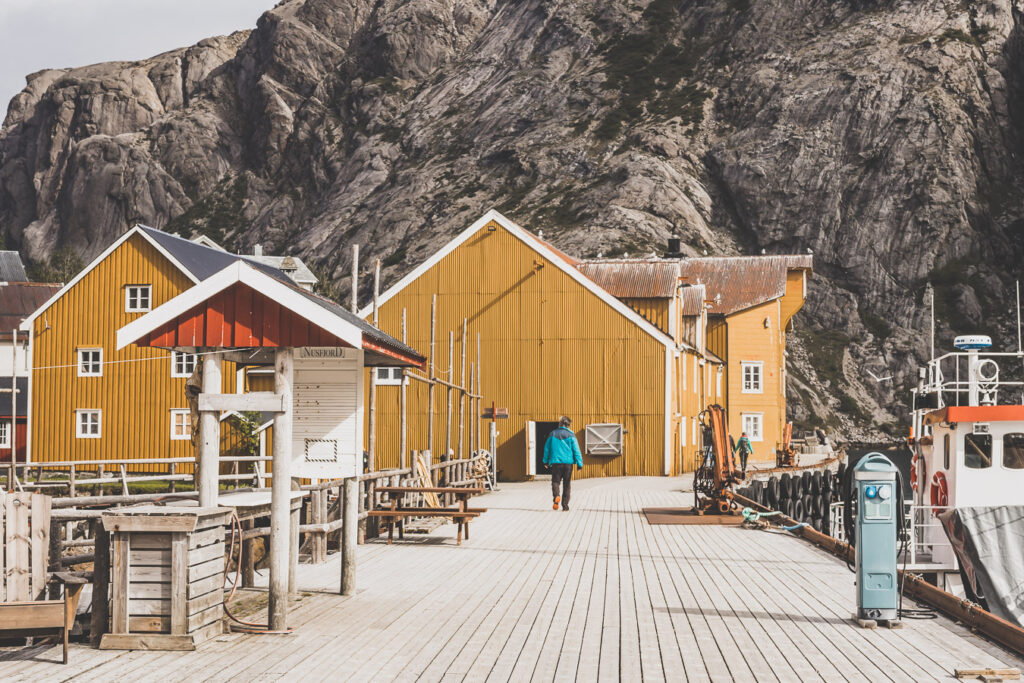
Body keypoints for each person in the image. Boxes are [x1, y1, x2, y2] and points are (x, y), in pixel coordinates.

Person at [543, 416, 583, 511]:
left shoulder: (552, 434)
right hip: (568, 464)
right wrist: (579, 463)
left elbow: (547, 449)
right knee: (567, 484)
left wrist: (545, 461)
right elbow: (576, 450)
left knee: (555, 482)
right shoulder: (571, 435)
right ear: (568, 425)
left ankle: (556, 496)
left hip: (556, 463)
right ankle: (565, 506)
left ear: (560, 423)